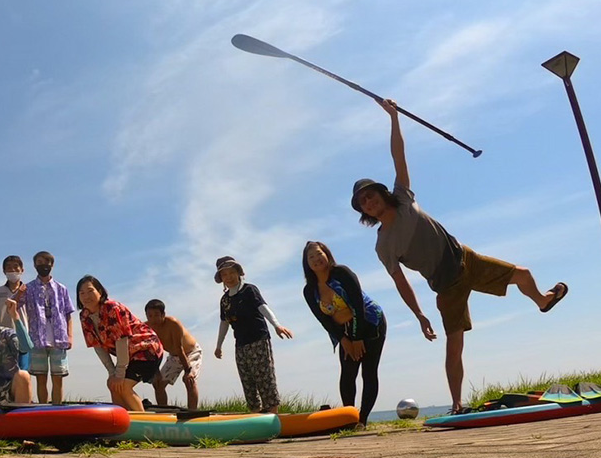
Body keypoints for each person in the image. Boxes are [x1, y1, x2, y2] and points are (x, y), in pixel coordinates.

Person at [355, 98, 569, 411]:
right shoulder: (383, 245)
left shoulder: (402, 198)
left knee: (522, 274)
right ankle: (456, 404)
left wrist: (394, 118)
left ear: (381, 194)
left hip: (466, 259)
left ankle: (542, 301)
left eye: (370, 195)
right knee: (455, 344)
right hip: (446, 285)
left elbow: (398, 157)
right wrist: (419, 315)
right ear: (363, 211)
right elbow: (401, 282)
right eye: (362, 202)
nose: (368, 202)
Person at [302, 241, 386, 428]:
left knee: (368, 370)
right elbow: (324, 320)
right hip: (344, 330)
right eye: (311, 257)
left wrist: (357, 338)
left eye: (319, 254)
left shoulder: (342, 274)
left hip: (370, 322)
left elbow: (358, 306)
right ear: (306, 263)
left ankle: (362, 419)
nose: (316, 259)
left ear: (327, 254)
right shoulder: (309, 290)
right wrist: (344, 340)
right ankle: (349, 417)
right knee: (348, 372)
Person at [213, 256, 292, 414]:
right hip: (240, 344)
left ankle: (273, 414)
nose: (228, 277)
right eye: (224, 275)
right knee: (247, 381)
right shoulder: (224, 300)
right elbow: (224, 322)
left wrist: (277, 325)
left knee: (264, 378)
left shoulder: (249, 290)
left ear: (238, 273)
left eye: (231, 273)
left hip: (258, 340)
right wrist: (218, 345)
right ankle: (255, 414)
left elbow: (262, 307)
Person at [77, 275, 162, 411]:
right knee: (113, 384)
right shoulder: (84, 316)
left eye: (90, 291)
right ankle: (120, 422)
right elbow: (97, 346)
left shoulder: (112, 308)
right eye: (81, 293)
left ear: (100, 291)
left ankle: (142, 424)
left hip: (147, 349)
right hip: (129, 355)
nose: (86, 296)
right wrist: (112, 373)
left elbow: (121, 340)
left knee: (123, 386)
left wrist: (120, 373)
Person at [21, 251, 75, 405]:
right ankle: (43, 408)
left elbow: (68, 313)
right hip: (37, 338)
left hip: (59, 337)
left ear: (51, 265)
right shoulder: (29, 288)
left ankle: (57, 407)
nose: (42, 265)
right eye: (38, 262)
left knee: (58, 378)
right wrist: (19, 292)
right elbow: (14, 304)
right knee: (40, 378)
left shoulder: (61, 288)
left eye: (45, 262)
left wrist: (70, 336)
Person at [143, 299, 202, 409]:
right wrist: (156, 371)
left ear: (163, 314)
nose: (153, 319)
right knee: (158, 383)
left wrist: (188, 371)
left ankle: (192, 413)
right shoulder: (146, 328)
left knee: (189, 380)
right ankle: (163, 412)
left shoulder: (173, 323)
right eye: (150, 316)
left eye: (156, 315)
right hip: (174, 356)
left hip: (190, 352)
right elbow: (151, 351)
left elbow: (179, 349)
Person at [0, 255, 29, 370]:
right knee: (4, 375)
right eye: (9, 267)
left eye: (16, 267)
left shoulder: (29, 291)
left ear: (22, 270)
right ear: (4, 271)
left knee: (22, 374)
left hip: (23, 339)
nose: (13, 270)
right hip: (2, 340)